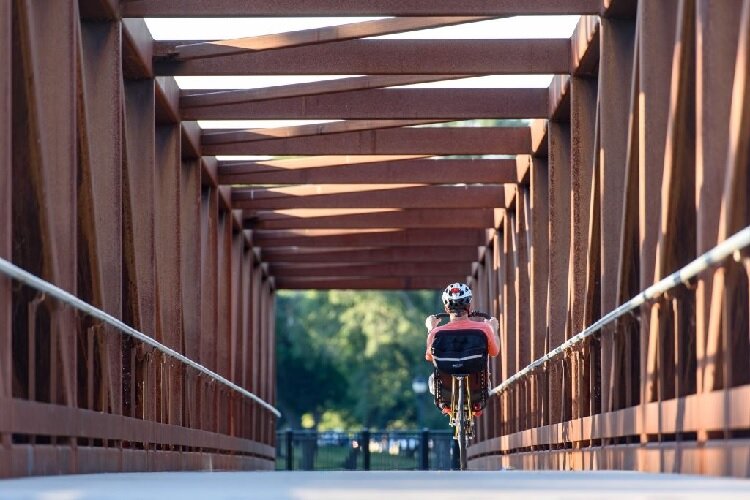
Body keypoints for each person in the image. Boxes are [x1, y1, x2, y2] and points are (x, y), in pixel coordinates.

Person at [424, 282, 500, 416]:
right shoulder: (484, 329)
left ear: (446, 308)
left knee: (431, 379)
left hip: (446, 390)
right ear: (469, 306)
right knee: (484, 375)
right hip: (476, 389)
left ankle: (445, 406)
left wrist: (431, 328)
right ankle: (475, 405)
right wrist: (494, 329)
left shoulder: (436, 332)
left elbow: (430, 356)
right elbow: (495, 352)